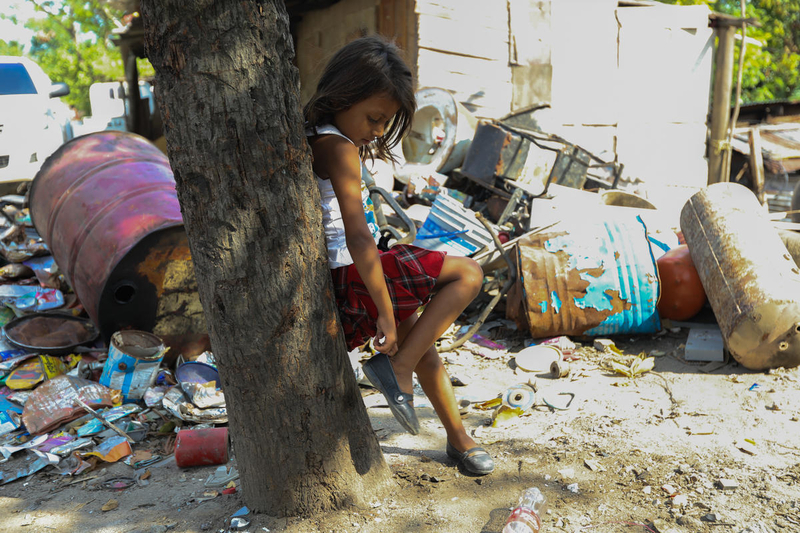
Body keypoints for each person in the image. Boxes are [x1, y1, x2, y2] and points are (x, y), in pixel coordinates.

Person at [304, 35, 494, 476]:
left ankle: (459, 439)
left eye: (383, 123)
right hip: (354, 274)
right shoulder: (339, 145)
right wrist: (386, 316)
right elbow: (357, 236)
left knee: (423, 345)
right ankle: (398, 368)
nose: (375, 131)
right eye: (373, 119)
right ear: (343, 95)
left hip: (353, 277)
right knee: (468, 274)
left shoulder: (321, 135)